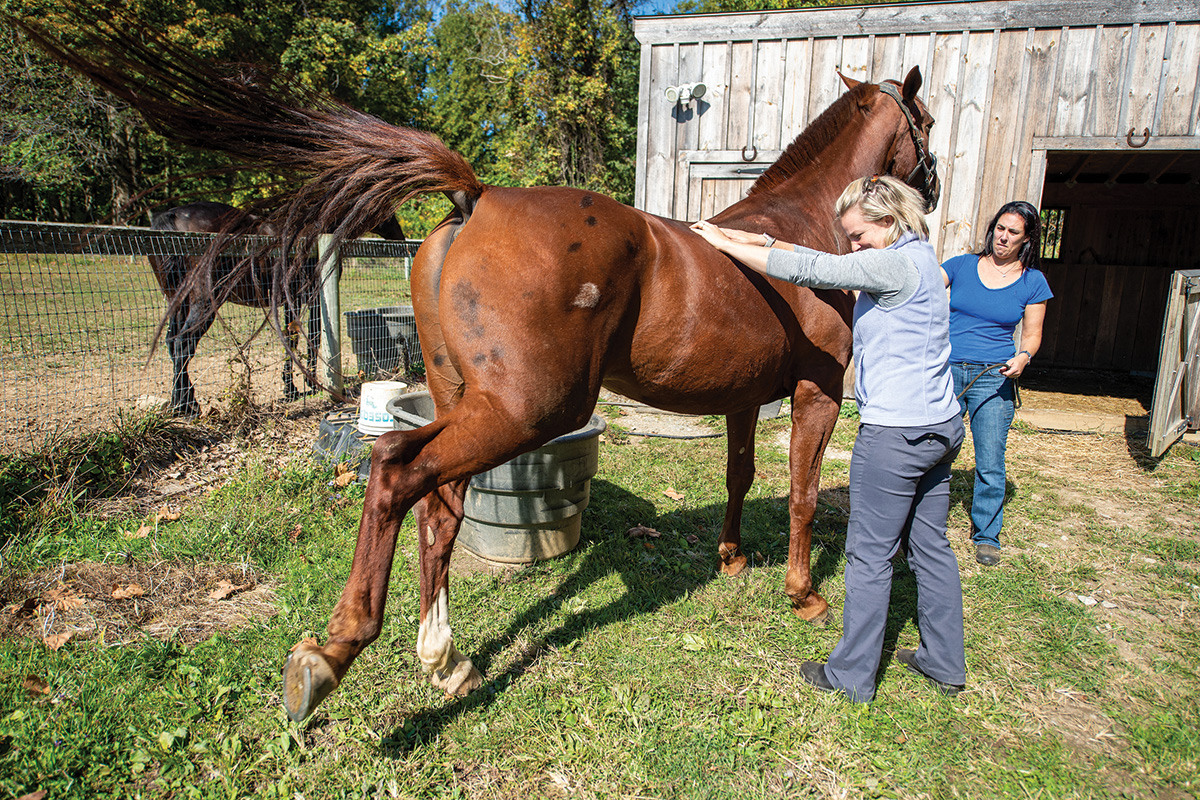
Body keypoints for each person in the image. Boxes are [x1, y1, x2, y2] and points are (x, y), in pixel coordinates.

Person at [691, 175, 966, 703]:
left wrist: (723, 241)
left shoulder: (888, 265)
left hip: (896, 435)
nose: (854, 245)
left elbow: (816, 269)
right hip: (942, 426)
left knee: (868, 556)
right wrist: (759, 240)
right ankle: (943, 661)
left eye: (859, 235)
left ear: (890, 221)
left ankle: (851, 674)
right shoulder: (925, 259)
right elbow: (821, 258)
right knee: (931, 547)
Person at [941, 201, 1053, 567]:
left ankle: (986, 533)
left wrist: (1023, 357)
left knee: (989, 458)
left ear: (1027, 239)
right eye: (1000, 228)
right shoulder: (961, 266)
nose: (1003, 238)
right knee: (937, 451)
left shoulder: (1032, 281)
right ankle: (927, 525)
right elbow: (921, 289)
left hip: (994, 375)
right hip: (948, 369)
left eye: (1013, 233)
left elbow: (1032, 334)